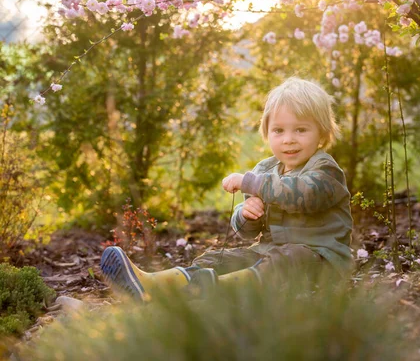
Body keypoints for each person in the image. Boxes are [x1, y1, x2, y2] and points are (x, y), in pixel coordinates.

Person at [100, 77, 354, 301]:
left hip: (321, 262)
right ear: (267, 132)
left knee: (291, 257)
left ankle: (209, 292)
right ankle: (155, 285)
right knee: (217, 259)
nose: (288, 139)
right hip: (268, 252)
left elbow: (302, 195)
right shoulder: (265, 169)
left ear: (321, 133)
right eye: (278, 130)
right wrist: (246, 214)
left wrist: (249, 182)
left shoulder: (324, 170)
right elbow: (247, 232)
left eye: (300, 130)